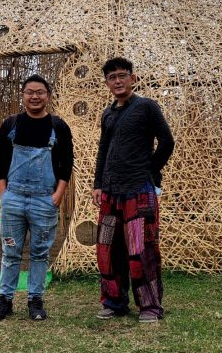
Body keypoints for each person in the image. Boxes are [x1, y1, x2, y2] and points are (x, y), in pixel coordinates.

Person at [92, 57, 174, 323]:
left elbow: (167, 142)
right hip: (110, 192)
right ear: (107, 83)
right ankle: (114, 302)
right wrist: (98, 184)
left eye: (122, 75)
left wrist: (149, 170)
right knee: (107, 249)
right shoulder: (108, 114)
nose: (117, 81)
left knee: (142, 249)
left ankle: (149, 305)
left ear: (133, 78)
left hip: (138, 191)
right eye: (112, 77)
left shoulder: (147, 107)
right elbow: (103, 150)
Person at [0, 74, 74, 321]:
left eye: (40, 92)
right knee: (10, 251)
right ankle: (5, 300)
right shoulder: (10, 125)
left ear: (48, 96)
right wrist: (4, 194)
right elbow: (0, 160)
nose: (35, 96)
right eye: (30, 92)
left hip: (44, 200)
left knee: (39, 253)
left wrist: (58, 195)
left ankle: (35, 300)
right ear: (23, 95)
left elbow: (67, 162)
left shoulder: (58, 127)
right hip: (13, 199)